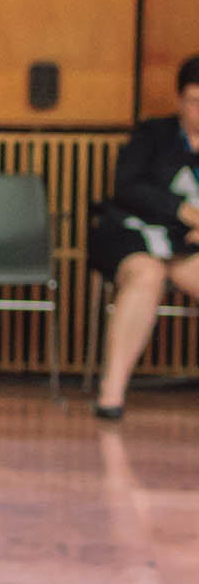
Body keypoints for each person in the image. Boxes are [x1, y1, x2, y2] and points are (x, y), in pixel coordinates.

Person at [89, 53, 199, 418]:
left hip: (187, 248)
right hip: (134, 237)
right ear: (179, 100)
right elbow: (128, 187)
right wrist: (183, 212)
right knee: (146, 276)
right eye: (194, 102)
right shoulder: (153, 135)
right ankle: (112, 394)